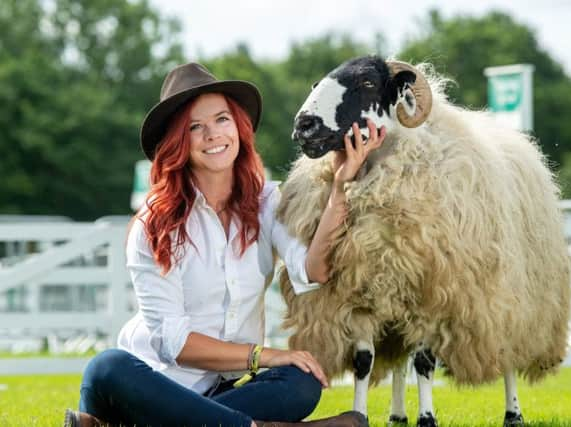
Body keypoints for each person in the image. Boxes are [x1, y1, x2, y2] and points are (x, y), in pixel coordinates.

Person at [64, 62, 386, 427]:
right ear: (177, 144)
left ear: (238, 127)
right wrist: (264, 356)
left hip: (224, 393)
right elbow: (176, 345)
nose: (212, 135)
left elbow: (313, 268)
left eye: (221, 120)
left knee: (302, 382)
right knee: (108, 365)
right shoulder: (154, 222)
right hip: (144, 385)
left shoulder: (267, 201)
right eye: (194, 128)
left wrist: (340, 186)